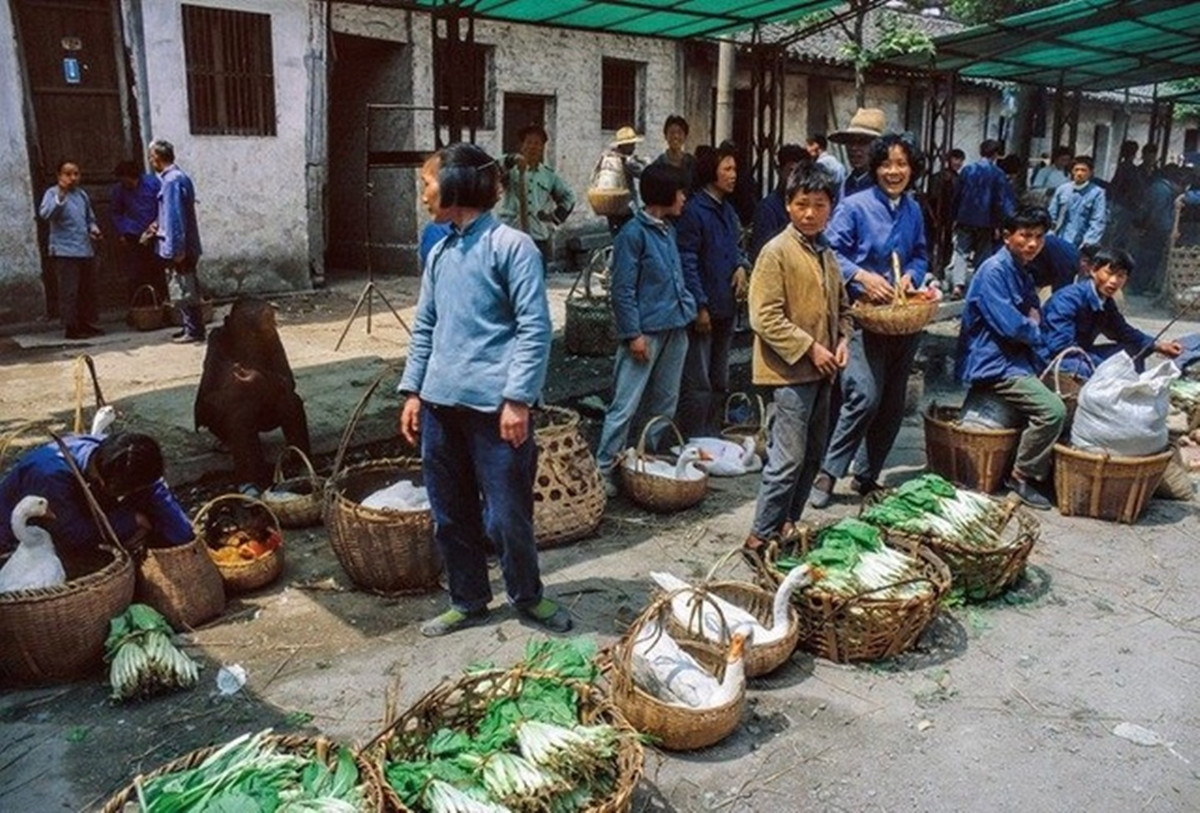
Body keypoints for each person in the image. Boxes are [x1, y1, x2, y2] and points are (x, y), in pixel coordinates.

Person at [398, 142, 570, 637]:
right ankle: (468, 598)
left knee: (507, 517)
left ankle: (528, 596)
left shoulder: (511, 247)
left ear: (456, 184)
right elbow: (425, 325)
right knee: (450, 514)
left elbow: (535, 328)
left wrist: (518, 399)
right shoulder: (440, 249)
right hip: (439, 406)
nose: (424, 194)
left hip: (497, 410)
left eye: (428, 183)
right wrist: (413, 391)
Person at [809, 132, 930, 509]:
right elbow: (827, 251)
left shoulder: (913, 209)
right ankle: (828, 472)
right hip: (861, 319)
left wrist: (913, 274)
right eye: (886, 164)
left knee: (893, 403)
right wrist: (861, 276)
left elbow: (922, 254)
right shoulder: (854, 207)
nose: (894, 172)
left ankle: (867, 475)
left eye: (901, 164)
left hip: (902, 320)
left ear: (912, 169)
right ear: (875, 168)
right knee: (864, 395)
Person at [744, 165, 851, 554]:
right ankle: (758, 535)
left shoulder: (827, 254)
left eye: (818, 205)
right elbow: (764, 317)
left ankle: (787, 522)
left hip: (824, 371)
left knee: (812, 455)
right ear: (788, 206)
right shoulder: (775, 253)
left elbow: (844, 308)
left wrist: (842, 340)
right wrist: (810, 347)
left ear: (830, 208)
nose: (809, 213)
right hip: (789, 373)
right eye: (801, 204)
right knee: (787, 459)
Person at [594, 164, 696, 496]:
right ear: (664, 195)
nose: (683, 198)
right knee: (625, 403)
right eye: (680, 192)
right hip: (646, 332)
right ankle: (605, 467)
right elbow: (622, 291)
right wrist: (633, 334)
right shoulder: (632, 234)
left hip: (675, 327)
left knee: (666, 401)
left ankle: (642, 459)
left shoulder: (667, 229)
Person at [956, 207, 1065, 510]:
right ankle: (1021, 476)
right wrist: (1032, 325)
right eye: (1025, 236)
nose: (1032, 244)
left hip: (1016, 359)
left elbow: (1032, 315)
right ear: (1006, 236)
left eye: (1039, 237)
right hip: (995, 363)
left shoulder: (1021, 270)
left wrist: (1031, 322)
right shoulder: (994, 271)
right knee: (1053, 411)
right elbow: (1012, 325)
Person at [0, 431, 193, 554]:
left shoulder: (120, 456)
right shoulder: (50, 474)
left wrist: (184, 538)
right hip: (22, 539)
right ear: (102, 481)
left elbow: (156, 493)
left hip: (76, 509)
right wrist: (131, 520)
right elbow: (72, 534)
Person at [194, 297, 311, 493]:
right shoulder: (220, 338)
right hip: (226, 409)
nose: (273, 324)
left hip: (260, 399)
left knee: (291, 401)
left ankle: (302, 463)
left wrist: (261, 378)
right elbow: (214, 383)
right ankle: (249, 480)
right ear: (247, 326)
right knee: (242, 412)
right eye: (268, 319)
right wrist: (235, 377)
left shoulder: (269, 337)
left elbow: (287, 381)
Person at [676, 141, 751, 438]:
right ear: (712, 173)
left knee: (720, 378)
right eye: (727, 169)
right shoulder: (694, 212)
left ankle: (713, 433)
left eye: (735, 169)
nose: (734, 175)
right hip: (704, 311)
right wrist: (700, 306)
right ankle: (694, 437)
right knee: (698, 381)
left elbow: (737, 248)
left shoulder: (728, 211)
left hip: (727, 307)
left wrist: (741, 266)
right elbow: (687, 261)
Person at [1040, 247, 1182, 376]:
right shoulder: (1068, 299)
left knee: (1134, 352)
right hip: (1055, 357)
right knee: (1088, 369)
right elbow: (1059, 345)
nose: (1114, 281)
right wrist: (1103, 364)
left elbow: (1122, 331)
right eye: (1109, 273)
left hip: (1082, 353)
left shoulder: (1106, 302)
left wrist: (1158, 345)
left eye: (1121, 276)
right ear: (1093, 270)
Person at [146, 139, 206, 344]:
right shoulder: (176, 178)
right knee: (184, 286)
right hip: (183, 243)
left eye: (151, 157)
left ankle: (194, 330)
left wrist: (176, 249)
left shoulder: (172, 180)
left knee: (185, 286)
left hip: (182, 245)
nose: (150, 161)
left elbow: (175, 217)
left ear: (157, 158)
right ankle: (190, 327)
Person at [38, 160, 103, 340]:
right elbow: (46, 214)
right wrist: (61, 196)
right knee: (69, 291)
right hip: (64, 251)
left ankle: (85, 323)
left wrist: (94, 229)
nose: (73, 178)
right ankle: (70, 327)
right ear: (59, 176)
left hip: (84, 248)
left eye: (76, 174)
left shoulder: (82, 195)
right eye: (68, 174)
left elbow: (90, 218)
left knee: (86, 290)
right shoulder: (51, 193)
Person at [498, 123, 575, 266]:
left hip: (537, 236)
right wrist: (512, 159)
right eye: (529, 142)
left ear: (542, 148)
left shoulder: (548, 175)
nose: (533, 147)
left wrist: (552, 217)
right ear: (522, 146)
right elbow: (493, 166)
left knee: (537, 279)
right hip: (510, 233)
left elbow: (569, 197)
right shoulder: (510, 170)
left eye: (537, 144)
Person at [946, 139, 1015, 299]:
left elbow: (957, 195)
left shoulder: (967, 170)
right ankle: (977, 287)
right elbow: (1001, 201)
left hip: (965, 219)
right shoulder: (998, 174)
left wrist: (954, 216)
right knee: (982, 255)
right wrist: (1001, 224)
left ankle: (958, 286)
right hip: (986, 221)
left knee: (961, 252)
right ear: (997, 154)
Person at [110, 160, 164, 303]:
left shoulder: (153, 184)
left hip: (156, 234)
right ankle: (139, 308)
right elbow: (116, 213)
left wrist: (157, 223)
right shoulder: (119, 190)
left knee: (158, 271)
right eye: (125, 182)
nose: (129, 185)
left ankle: (161, 306)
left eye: (131, 181)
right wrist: (125, 229)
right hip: (134, 236)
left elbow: (163, 206)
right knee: (136, 274)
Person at [749, 144, 811, 263]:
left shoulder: (807, 208)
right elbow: (762, 254)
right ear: (779, 170)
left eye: (801, 173)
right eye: (791, 171)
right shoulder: (767, 209)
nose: (796, 178)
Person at [593, 125, 649, 234]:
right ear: (625, 145)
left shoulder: (607, 157)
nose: (634, 147)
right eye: (632, 145)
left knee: (616, 237)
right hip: (627, 209)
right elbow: (645, 174)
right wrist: (645, 162)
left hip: (611, 208)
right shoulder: (626, 161)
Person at [1048, 155, 1107, 249]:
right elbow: (1051, 215)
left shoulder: (1097, 193)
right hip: (1060, 240)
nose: (1079, 173)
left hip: (1081, 243)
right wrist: (1050, 235)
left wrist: (1088, 243)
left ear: (1090, 173)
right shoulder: (1062, 189)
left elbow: (1098, 221)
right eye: (1076, 169)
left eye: (1084, 170)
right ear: (1072, 171)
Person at [829, 108, 886, 199]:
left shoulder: (885, 188)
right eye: (850, 142)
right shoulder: (844, 186)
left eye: (862, 142)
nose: (854, 148)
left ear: (877, 147)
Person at [926, 148, 966, 274]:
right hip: (937, 215)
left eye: (960, 160)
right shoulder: (940, 178)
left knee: (945, 244)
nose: (958, 163)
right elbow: (932, 198)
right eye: (956, 159)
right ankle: (933, 268)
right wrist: (933, 217)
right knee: (933, 243)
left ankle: (938, 268)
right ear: (948, 160)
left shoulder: (959, 179)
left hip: (948, 217)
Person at [1105, 140, 1143, 251]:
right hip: (1126, 206)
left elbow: (1115, 187)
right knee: (1120, 237)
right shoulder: (1131, 169)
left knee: (1117, 236)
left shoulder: (1125, 168)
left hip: (1122, 205)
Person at [652, 115, 696, 191]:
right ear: (665, 136)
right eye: (672, 132)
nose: (676, 136)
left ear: (685, 136)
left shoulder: (692, 163)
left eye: (680, 132)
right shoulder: (658, 164)